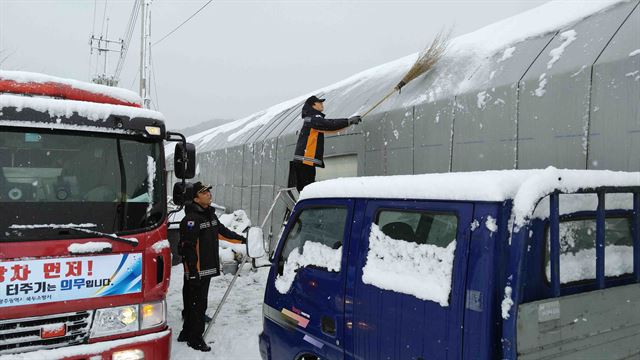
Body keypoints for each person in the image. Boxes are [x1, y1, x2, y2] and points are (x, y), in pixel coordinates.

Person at [177, 181, 246, 352]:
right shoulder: (191, 220)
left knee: (194, 304)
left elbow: (222, 232)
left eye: (208, 191)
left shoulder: (210, 215)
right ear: (195, 198)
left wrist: (243, 239)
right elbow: (188, 248)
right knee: (197, 305)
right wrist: (192, 271)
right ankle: (195, 339)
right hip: (196, 271)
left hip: (205, 269)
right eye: (204, 192)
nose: (208, 194)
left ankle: (186, 333)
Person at [289, 95, 362, 191]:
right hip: (305, 162)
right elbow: (329, 125)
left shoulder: (312, 119)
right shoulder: (312, 119)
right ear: (313, 105)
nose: (322, 104)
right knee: (306, 191)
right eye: (319, 102)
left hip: (305, 162)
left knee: (305, 190)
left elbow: (330, 128)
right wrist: (348, 121)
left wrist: (348, 123)